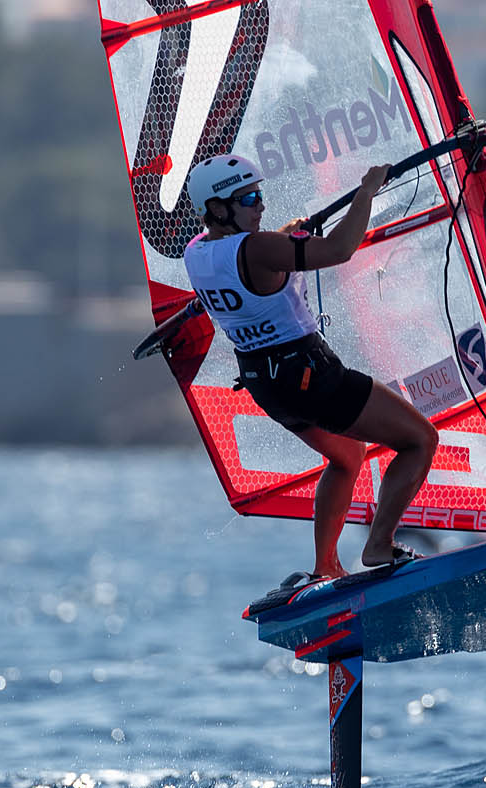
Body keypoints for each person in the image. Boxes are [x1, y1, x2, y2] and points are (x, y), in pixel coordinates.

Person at [182, 153, 438, 583]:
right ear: (217, 209)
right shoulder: (259, 248)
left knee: (347, 456)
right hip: (312, 378)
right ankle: (379, 546)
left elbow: (248, 262)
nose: (259, 204)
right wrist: (366, 191)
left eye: (259, 194)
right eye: (248, 198)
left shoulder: (196, 253)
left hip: (268, 386)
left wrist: (286, 239)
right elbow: (338, 250)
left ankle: (325, 566)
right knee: (420, 440)